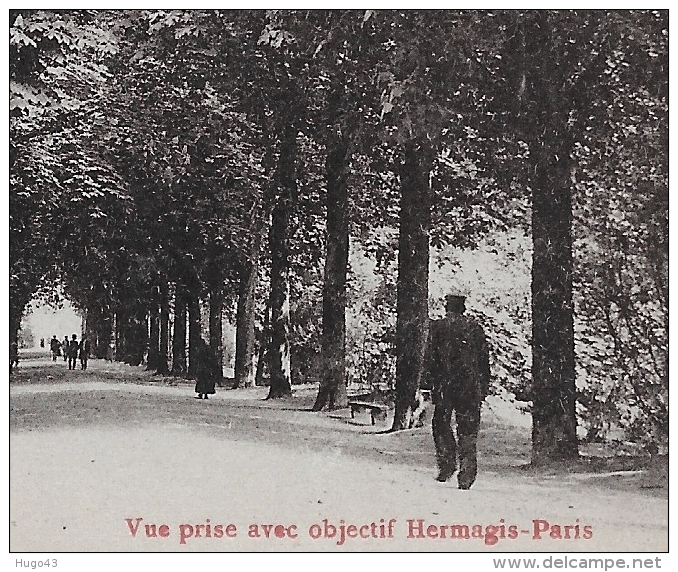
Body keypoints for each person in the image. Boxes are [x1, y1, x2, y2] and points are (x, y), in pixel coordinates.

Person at [426, 293, 491, 490]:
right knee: (468, 430)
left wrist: (429, 385)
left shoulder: (437, 327)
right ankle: (466, 475)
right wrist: (484, 388)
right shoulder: (475, 328)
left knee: (440, 424)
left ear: (447, 308)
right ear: (463, 308)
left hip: (445, 385)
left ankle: (447, 464)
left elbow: (430, 359)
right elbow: (484, 362)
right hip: (470, 387)